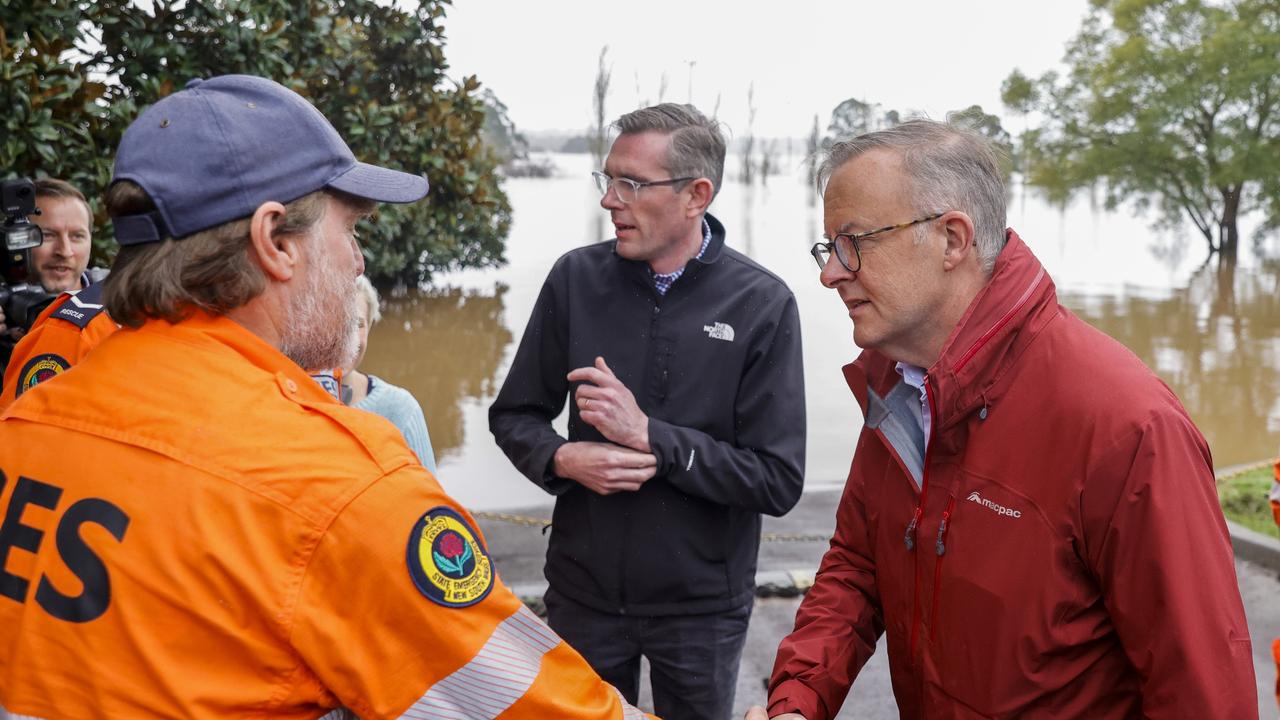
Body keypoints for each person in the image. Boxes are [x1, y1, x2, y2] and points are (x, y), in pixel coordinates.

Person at [0, 74, 652, 720]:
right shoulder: (336, 486)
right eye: (352, 231)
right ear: (275, 242)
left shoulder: (29, 421)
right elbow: (532, 706)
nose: (359, 262)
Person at [745, 119, 1256, 720]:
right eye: (828, 248)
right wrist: (798, 701)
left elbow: (1204, 694)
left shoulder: (1127, 426)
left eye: (854, 243)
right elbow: (858, 566)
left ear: (952, 240)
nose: (831, 272)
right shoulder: (900, 383)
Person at [489, 103, 806, 720]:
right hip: (583, 595)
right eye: (607, 179)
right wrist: (561, 457)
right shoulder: (575, 279)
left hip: (702, 608)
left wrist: (653, 438)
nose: (610, 199)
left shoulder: (762, 303)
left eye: (631, 183)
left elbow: (777, 479)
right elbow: (514, 416)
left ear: (696, 195)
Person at [343, 274, 438, 474]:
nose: (343, 337)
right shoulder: (280, 401)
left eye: (357, 324)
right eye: (334, 320)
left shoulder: (400, 409)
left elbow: (431, 500)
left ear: (370, 327)